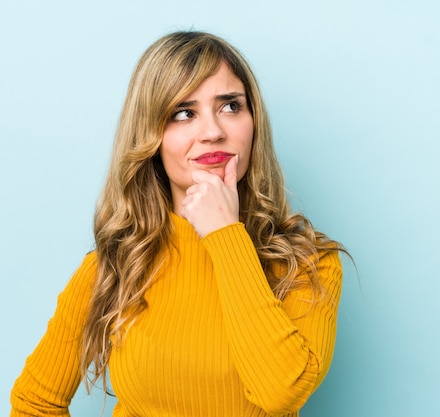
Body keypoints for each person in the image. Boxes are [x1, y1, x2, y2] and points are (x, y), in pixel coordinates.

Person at [10, 30, 347, 417]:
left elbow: (280, 394)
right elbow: (35, 402)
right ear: (151, 135)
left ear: (254, 122)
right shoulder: (114, 268)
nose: (212, 132)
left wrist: (225, 237)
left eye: (230, 106)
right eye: (183, 113)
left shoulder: (310, 263)